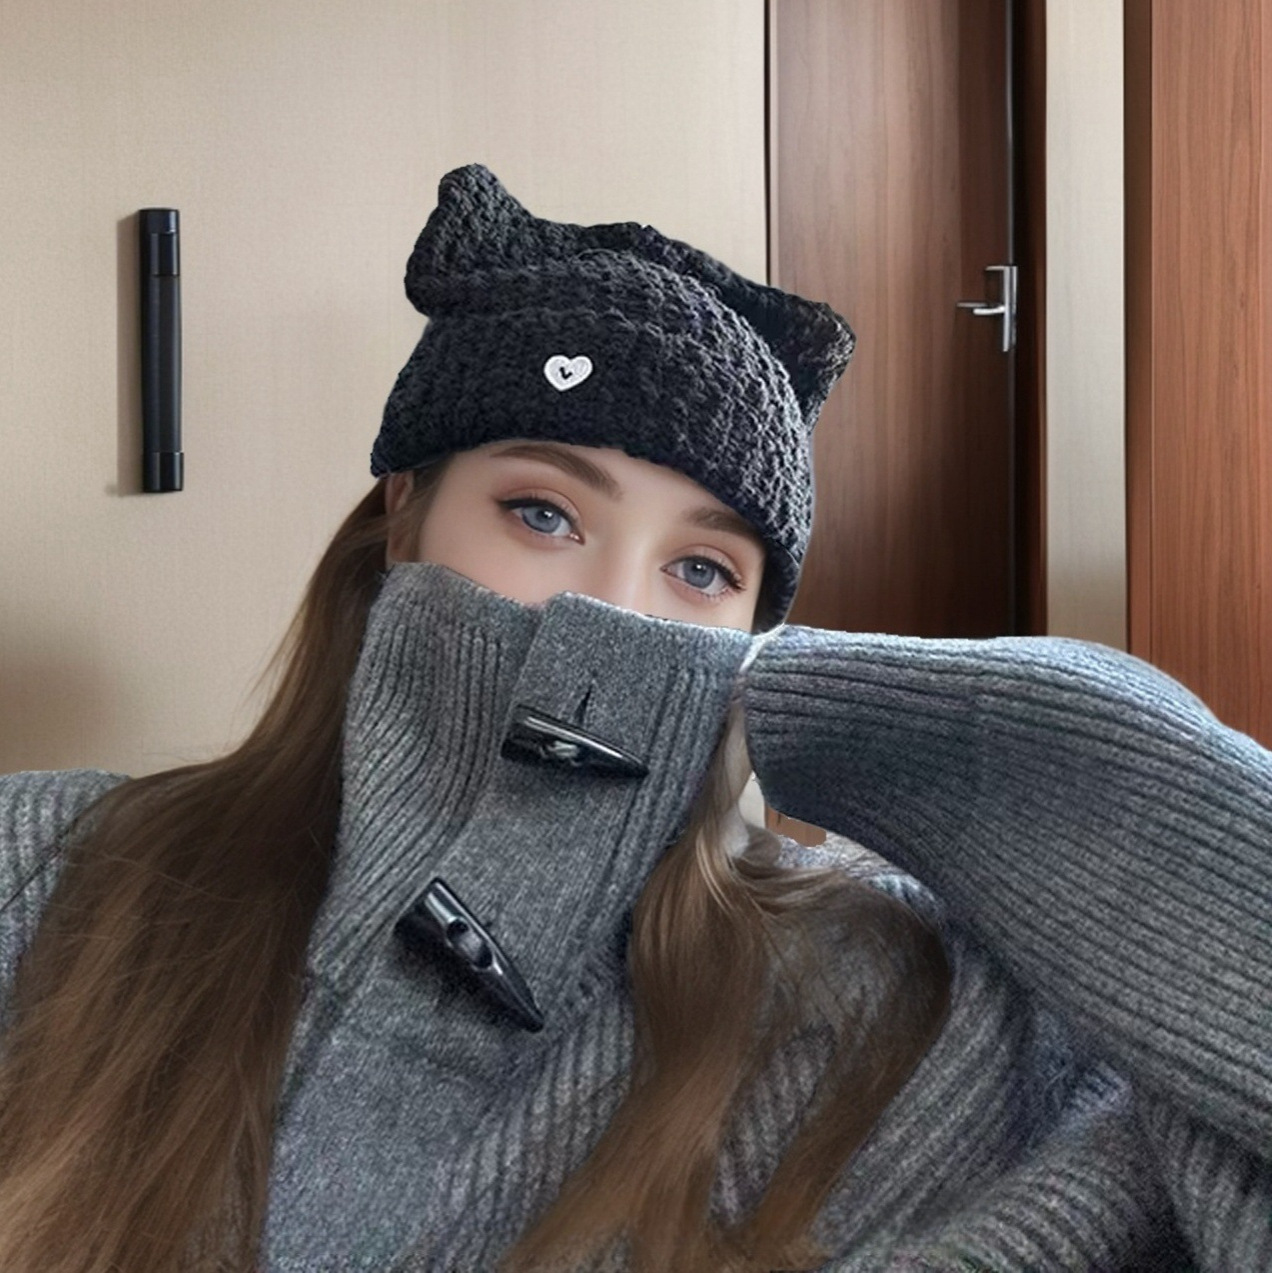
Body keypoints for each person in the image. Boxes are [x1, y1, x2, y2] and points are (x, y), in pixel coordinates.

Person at [0, 163, 1268, 1273]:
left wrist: (878, 717)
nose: (614, 612)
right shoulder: (46, 865)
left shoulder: (888, 993)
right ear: (403, 516)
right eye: (542, 514)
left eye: (702, 571)